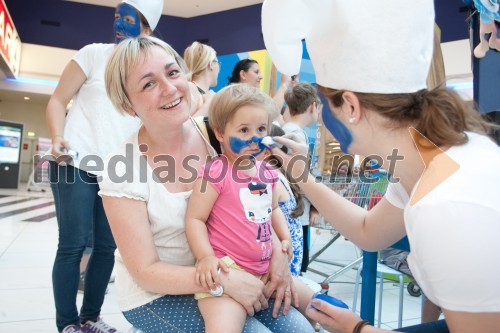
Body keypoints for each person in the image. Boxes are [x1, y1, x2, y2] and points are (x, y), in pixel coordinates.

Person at [262, 0, 500, 332]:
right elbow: (368, 232)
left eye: (324, 102)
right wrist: (303, 177)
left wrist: (357, 329)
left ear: (350, 106)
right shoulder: (428, 160)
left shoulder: (445, 206)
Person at [100, 36, 314, 333]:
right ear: (127, 104)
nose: (169, 88)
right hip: (156, 295)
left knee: (300, 329)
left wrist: (278, 253)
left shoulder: (217, 134)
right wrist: (225, 280)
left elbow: (263, 201)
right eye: (148, 84)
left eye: (173, 73)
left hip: (238, 270)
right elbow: (145, 272)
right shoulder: (122, 167)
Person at [45, 1, 163, 332]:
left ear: (146, 29)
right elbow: (57, 100)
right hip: (76, 159)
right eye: (116, 17)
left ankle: (90, 318)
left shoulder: (147, 70)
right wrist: (57, 137)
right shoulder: (93, 54)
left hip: (118, 171)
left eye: (128, 19)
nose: (119, 24)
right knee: (73, 243)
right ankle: (67, 324)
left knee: (107, 247)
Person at [184, 84, 314, 332]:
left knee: (315, 305)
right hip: (228, 273)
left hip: (265, 271)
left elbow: (273, 210)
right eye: (244, 130)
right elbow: (195, 219)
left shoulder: (267, 172)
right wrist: (205, 257)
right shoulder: (214, 172)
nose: (255, 138)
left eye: (261, 129)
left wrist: (285, 238)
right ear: (220, 132)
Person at [282, 82, 322, 274]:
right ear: (313, 106)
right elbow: (301, 176)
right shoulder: (298, 136)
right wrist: (316, 205)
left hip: (285, 207)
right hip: (297, 210)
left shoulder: (283, 128)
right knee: (297, 266)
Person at [227, 58, 294, 125]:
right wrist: (284, 84)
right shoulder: (235, 96)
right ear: (243, 74)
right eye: (256, 72)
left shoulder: (253, 96)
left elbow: (280, 117)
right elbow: (272, 112)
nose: (261, 76)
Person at [183, 41, 221, 117]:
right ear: (211, 65)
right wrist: (209, 103)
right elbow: (184, 126)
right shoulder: (191, 88)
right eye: (218, 63)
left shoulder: (195, 89)